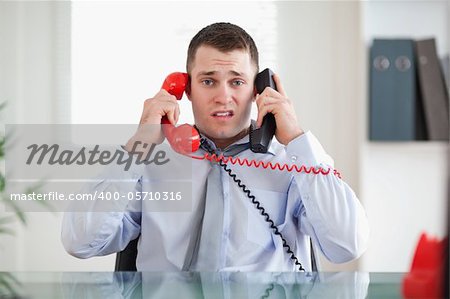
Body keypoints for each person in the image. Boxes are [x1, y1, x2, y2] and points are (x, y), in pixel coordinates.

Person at [62, 22, 369, 271]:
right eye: (208, 81)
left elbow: (347, 246)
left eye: (237, 81)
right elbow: (80, 241)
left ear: (258, 91)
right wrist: (138, 147)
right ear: (186, 89)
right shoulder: (150, 163)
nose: (223, 96)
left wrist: (298, 141)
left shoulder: (291, 164)